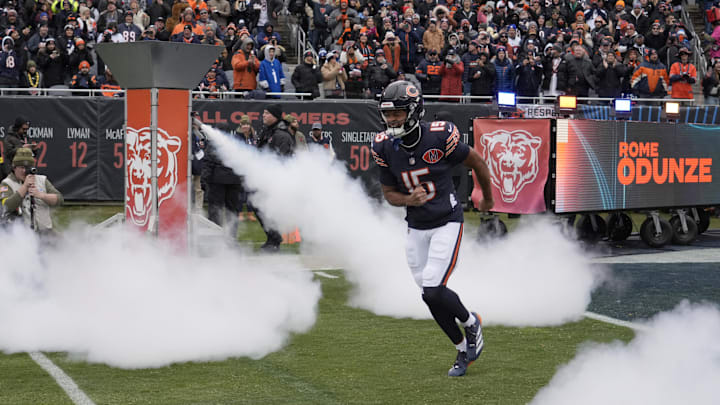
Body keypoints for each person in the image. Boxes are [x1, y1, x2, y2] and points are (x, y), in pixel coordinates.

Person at [371, 81, 493, 377]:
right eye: (388, 114)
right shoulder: (383, 145)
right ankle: (463, 348)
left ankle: (471, 322)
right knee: (428, 294)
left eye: (398, 113)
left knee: (433, 288)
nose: (392, 120)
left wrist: (487, 197)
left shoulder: (440, 135)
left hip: (446, 220)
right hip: (416, 226)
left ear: (414, 111)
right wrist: (407, 199)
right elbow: (389, 194)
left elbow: (477, 162)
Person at [255, 103, 294, 251]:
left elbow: (281, 160)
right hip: (263, 178)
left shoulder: (281, 135)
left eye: (267, 113)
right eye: (263, 112)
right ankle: (272, 238)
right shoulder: (267, 132)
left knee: (266, 207)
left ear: (275, 116)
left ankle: (274, 239)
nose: (263, 115)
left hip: (274, 180)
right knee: (257, 205)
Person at [0, 148, 63, 235]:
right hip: (21, 235)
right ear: (14, 167)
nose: (24, 171)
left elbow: (59, 199)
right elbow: (7, 206)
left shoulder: (41, 180)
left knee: (66, 245)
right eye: (21, 167)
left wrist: (41, 195)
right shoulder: (7, 183)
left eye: (27, 167)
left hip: (45, 232)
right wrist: (25, 187)